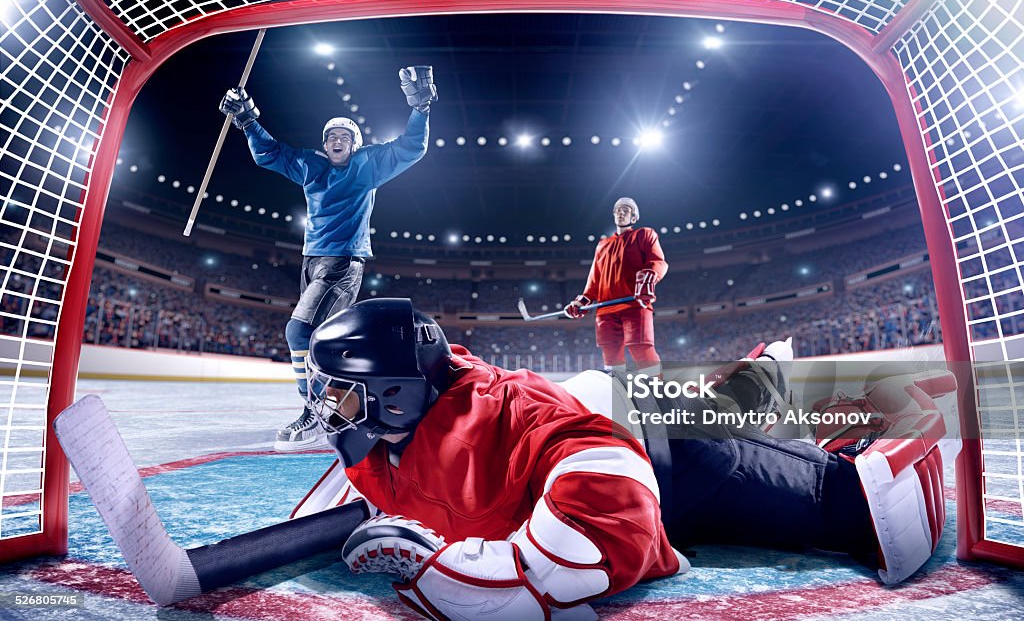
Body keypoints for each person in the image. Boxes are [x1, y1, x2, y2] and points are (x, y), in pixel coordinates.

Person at [60, 298, 957, 615]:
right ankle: (773, 382)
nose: (326, 410)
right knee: (757, 393)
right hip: (645, 411)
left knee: (871, 514)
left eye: (339, 391)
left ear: (394, 394)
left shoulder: (496, 411)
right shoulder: (390, 443)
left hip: (675, 457)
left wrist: (525, 570)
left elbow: (611, 486)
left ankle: (825, 425)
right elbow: (341, 507)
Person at [218, 67, 437, 451]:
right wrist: (248, 118)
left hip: (342, 263)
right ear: (325, 144)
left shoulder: (367, 165)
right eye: (332, 136)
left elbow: (411, 148)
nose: (338, 141)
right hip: (312, 261)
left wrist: (420, 108)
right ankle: (340, 408)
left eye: (345, 137)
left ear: (355, 143)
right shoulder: (310, 166)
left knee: (299, 332)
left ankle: (314, 412)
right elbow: (269, 152)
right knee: (324, 341)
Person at [565, 197, 668, 378]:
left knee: (641, 350)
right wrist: (581, 301)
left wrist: (651, 276)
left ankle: (660, 394)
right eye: (618, 210)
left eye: (626, 210)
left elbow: (659, 262)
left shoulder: (645, 234)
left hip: (635, 305)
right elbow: (594, 281)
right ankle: (618, 397)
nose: (621, 212)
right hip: (605, 311)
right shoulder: (602, 245)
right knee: (611, 358)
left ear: (634, 218)